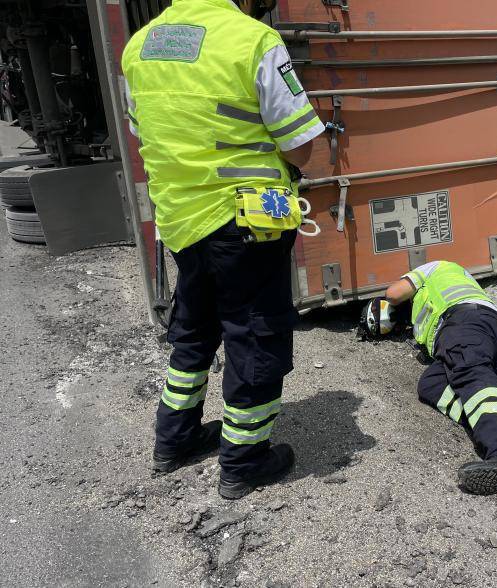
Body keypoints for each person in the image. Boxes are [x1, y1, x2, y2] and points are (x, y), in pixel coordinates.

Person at [122, 0, 325, 499]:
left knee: (194, 328)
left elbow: (140, 130)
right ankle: (245, 459)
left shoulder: (138, 46)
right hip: (247, 224)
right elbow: (300, 146)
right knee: (255, 334)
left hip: (181, 222)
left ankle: (174, 440)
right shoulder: (251, 39)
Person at [361, 261, 497, 495]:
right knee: (432, 384)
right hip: (485, 332)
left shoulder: (432, 268)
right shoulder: (456, 277)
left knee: (470, 375)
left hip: (465, 323)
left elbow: (394, 293)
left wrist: (391, 301)